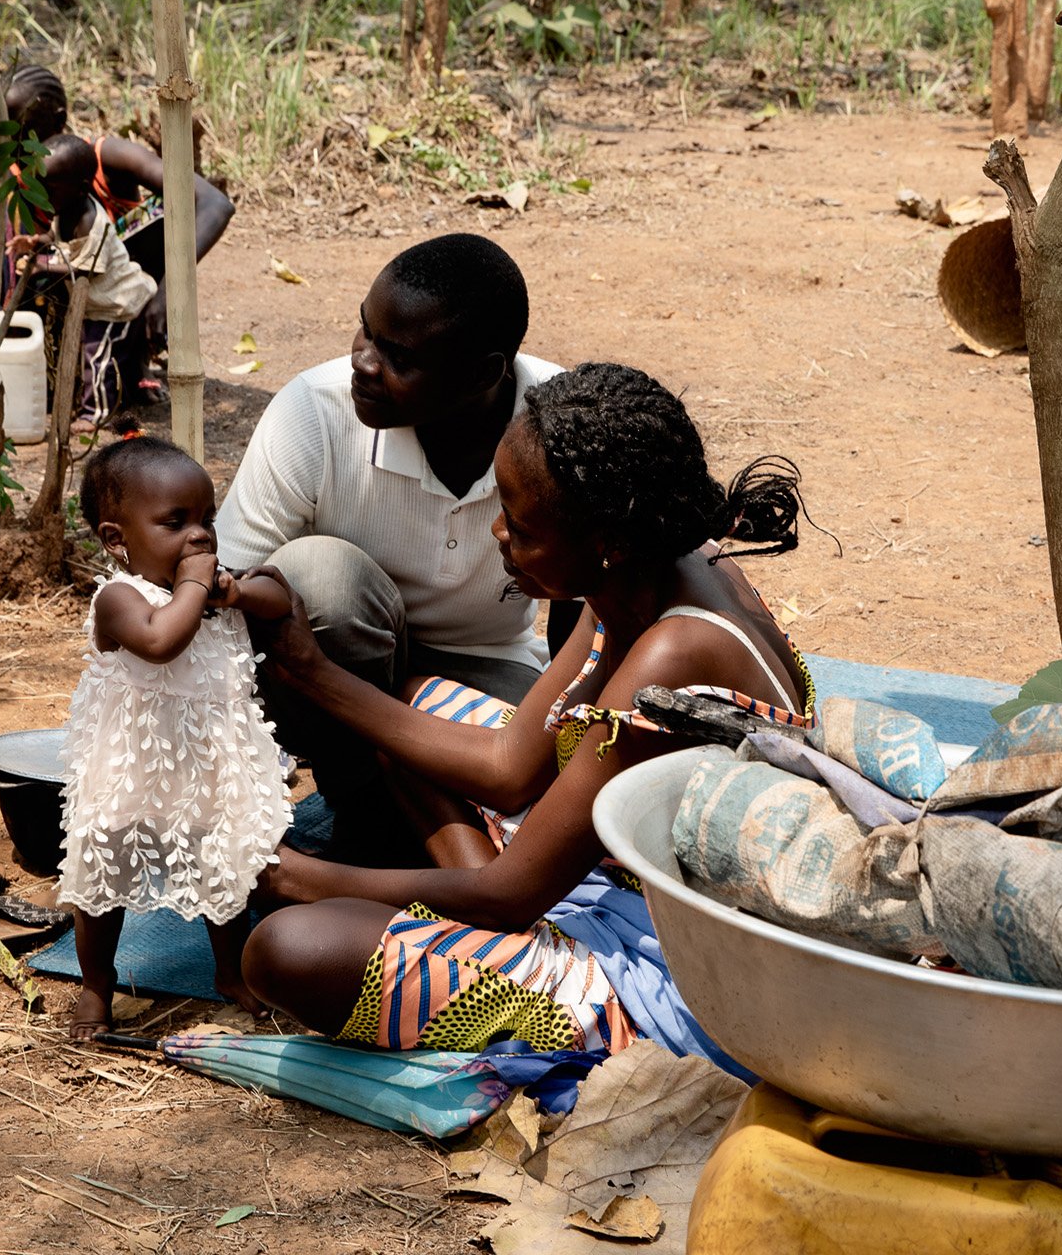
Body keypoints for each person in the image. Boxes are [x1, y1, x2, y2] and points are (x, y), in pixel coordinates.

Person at [237, 362, 813, 1074]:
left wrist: (285, 875)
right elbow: (509, 769)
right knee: (411, 714)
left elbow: (506, 896)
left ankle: (549, 978)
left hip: (686, 971)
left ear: (605, 539)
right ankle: (484, 906)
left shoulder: (675, 651)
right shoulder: (639, 574)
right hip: (595, 878)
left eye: (525, 527)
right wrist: (314, 672)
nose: (499, 534)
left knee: (289, 950)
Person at [214, 233, 563, 853]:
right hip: (334, 671)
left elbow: (601, 599)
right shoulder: (313, 412)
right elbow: (222, 588)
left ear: (485, 372)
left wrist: (570, 735)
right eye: (364, 331)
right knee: (316, 578)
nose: (363, 362)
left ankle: (410, 827)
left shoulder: (557, 430)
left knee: (541, 793)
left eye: (398, 356)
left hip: (487, 669)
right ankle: (366, 811)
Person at [57, 437, 293, 1035]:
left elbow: (280, 597)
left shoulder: (211, 591)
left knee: (225, 864)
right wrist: (195, 588)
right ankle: (96, 987)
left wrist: (236, 591)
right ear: (117, 540)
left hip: (208, 762)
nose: (200, 537)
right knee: (103, 869)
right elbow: (160, 642)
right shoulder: (119, 598)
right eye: (175, 522)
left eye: (206, 520)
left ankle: (230, 971)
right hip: (132, 766)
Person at [0, 62, 234, 388]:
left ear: (59, 120)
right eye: (4, 134)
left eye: (22, 132)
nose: (15, 148)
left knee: (161, 215)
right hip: (30, 330)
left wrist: (170, 294)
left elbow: (215, 203)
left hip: (109, 314)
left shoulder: (103, 158)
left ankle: (129, 364)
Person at [10, 132, 157, 433]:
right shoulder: (64, 211)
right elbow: (57, 239)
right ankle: (116, 399)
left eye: (50, 188)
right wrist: (37, 242)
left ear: (79, 189)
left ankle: (97, 413)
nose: (44, 194)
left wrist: (42, 265)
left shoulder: (90, 220)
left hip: (116, 304)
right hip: (99, 305)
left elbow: (86, 268)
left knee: (97, 357)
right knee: (101, 357)